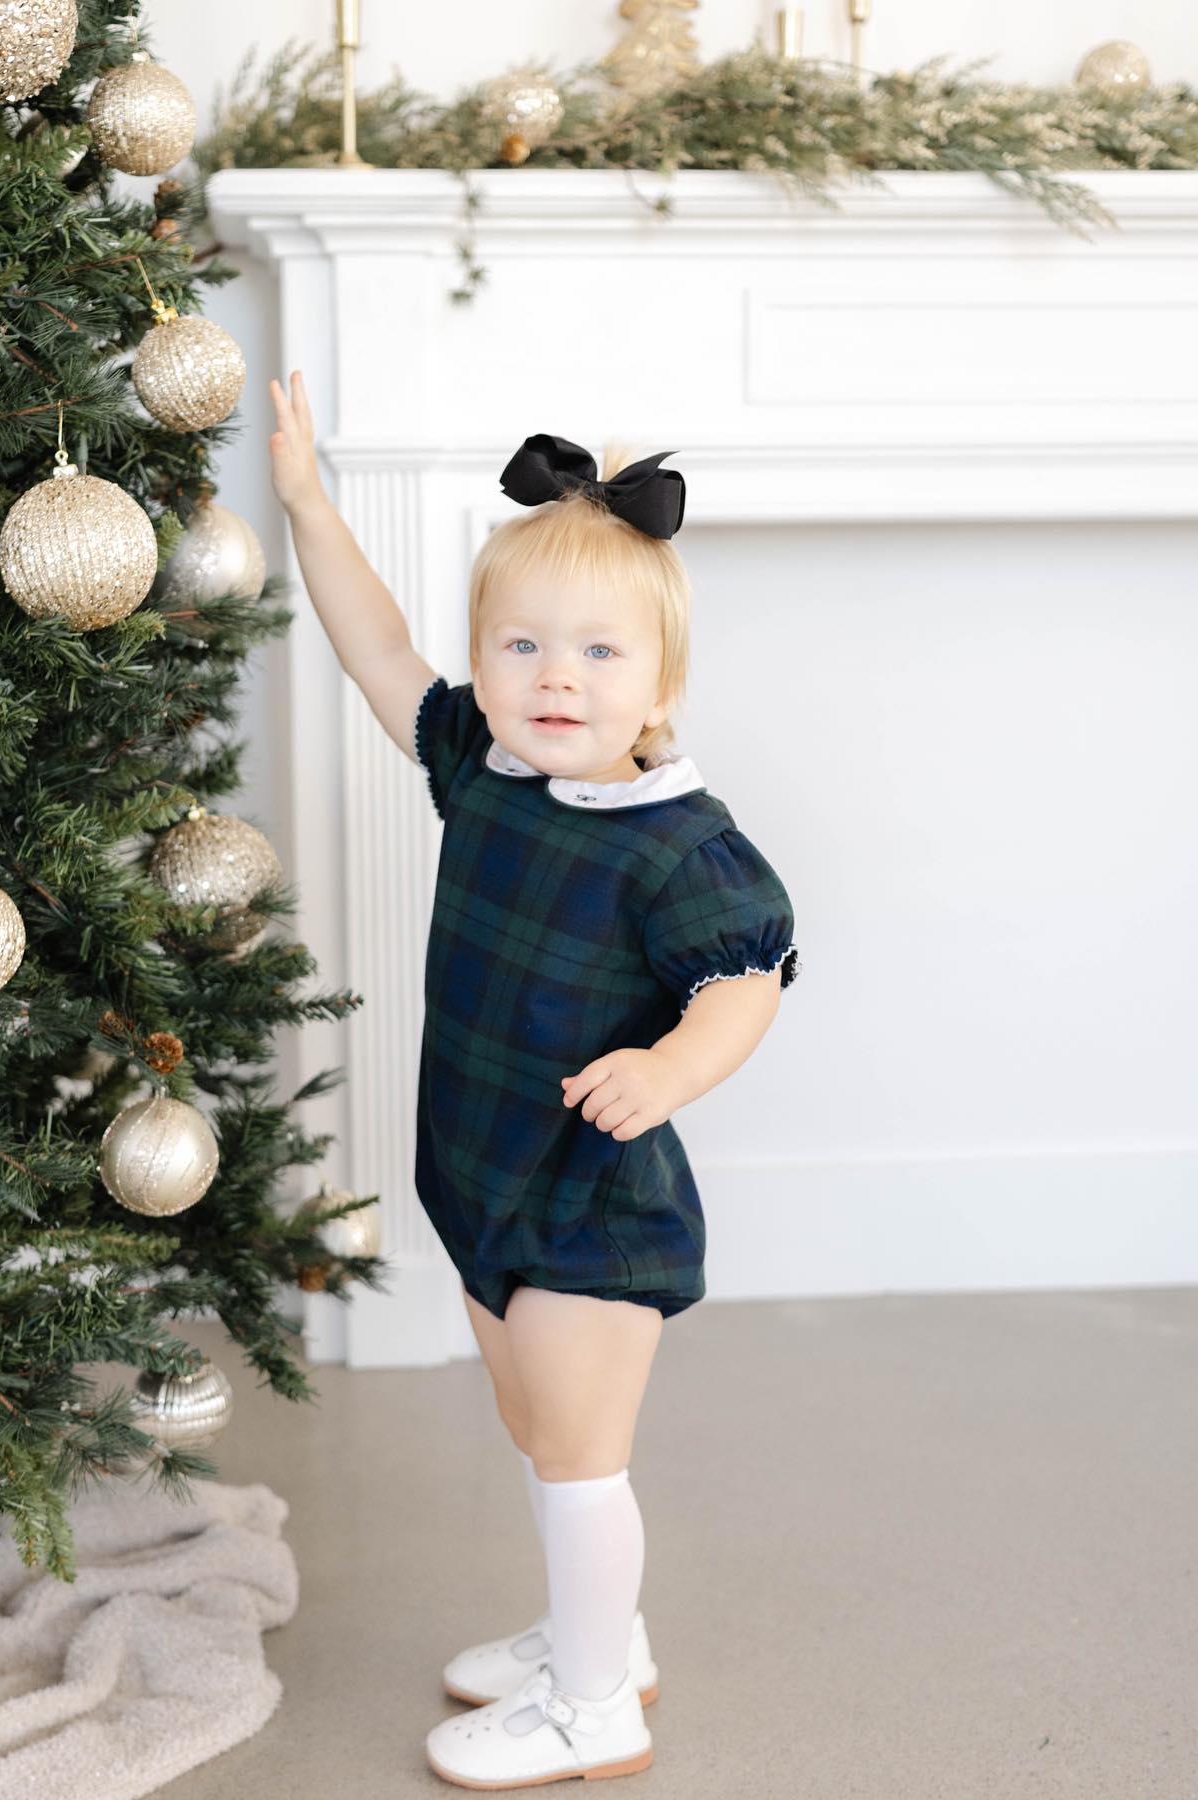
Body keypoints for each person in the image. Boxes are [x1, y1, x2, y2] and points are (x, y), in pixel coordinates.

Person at [269, 374, 801, 1789]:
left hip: (590, 1205)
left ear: (660, 687)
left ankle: (593, 1708)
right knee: (528, 1422)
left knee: (577, 1452)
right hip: (487, 1173)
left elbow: (746, 978)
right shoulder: (489, 771)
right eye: (522, 647)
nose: (556, 677)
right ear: (489, 664)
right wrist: (312, 507)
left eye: (598, 655)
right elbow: (379, 651)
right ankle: (595, 1636)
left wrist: (670, 1067)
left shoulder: (678, 844)